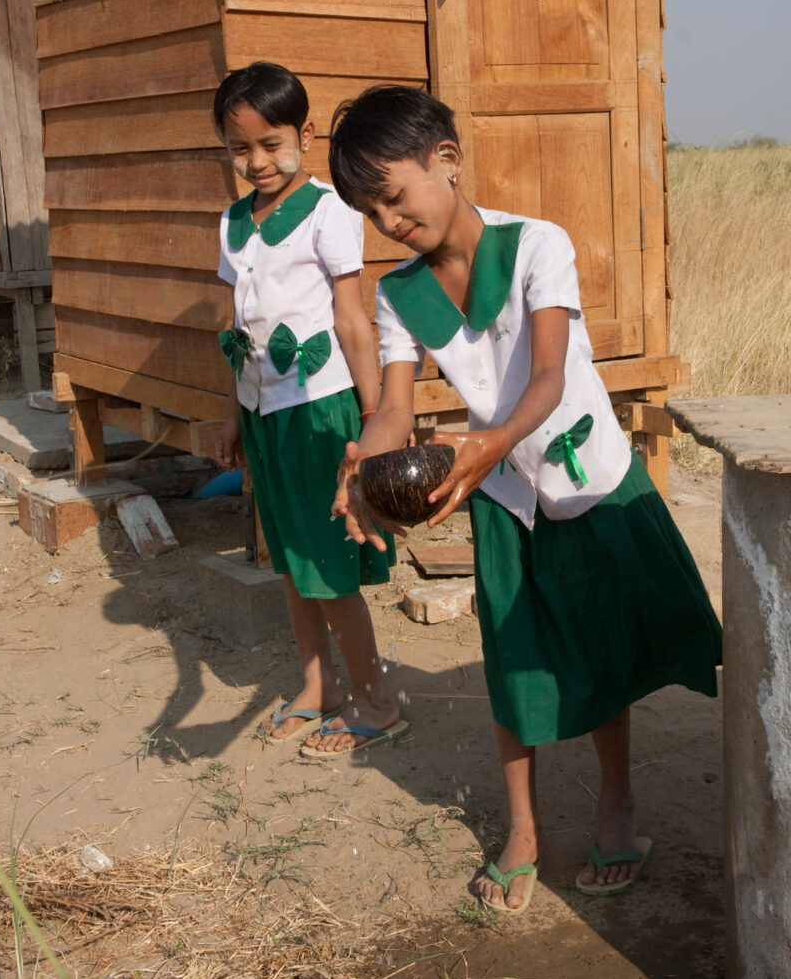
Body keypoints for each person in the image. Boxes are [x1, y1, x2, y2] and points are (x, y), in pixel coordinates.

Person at [328, 85, 723, 910]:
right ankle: (524, 828)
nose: (390, 222)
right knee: (513, 667)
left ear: (447, 161)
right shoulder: (399, 293)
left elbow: (547, 377)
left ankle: (617, 808)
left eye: (394, 197)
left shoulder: (539, 244)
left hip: (584, 477)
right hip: (503, 496)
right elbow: (396, 406)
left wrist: (490, 441)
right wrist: (363, 459)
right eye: (372, 212)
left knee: (604, 650)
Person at [214, 62, 407, 756]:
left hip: (320, 412)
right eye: (240, 149)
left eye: (271, 143)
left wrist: (375, 420)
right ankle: (318, 686)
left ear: (306, 133)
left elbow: (353, 322)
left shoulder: (330, 212)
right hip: (265, 417)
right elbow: (237, 324)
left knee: (327, 564)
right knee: (292, 562)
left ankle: (376, 701)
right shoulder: (233, 224)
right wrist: (235, 414)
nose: (257, 161)